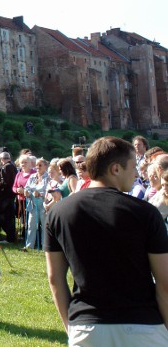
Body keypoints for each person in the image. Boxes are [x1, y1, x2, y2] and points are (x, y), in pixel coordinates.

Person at [45, 137, 168, 344]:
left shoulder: (58, 212)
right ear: (116, 169)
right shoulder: (145, 213)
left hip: (87, 325)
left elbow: (55, 279)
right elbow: (165, 283)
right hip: (142, 325)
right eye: (132, 167)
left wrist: (72, 327)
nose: (137, 173)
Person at [0, 151, 17, 243]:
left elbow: (5, 183)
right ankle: (10, 236)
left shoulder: (6, 167)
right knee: (8, 217)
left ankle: (9, 236)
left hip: (4, 196)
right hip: (9, 195)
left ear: (2, 159)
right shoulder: (13, 166)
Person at [22, 158, 49, 251]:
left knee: (45, 225)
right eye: (36, 165)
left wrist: (40, 194)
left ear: (45, 166)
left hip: (44, 203)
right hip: (33, 203)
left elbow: (49, 190)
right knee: (31, 225)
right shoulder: (32, 176)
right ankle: (29, 245)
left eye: (40, 165)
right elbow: (27, 187)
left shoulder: (48, 177)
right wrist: (26, 192)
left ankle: (45, 246)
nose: (37, 167)